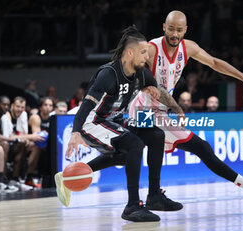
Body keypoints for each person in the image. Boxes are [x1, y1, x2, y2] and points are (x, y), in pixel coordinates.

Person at [127, 10, 243, 204]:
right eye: (171, 29)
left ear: (186, 30)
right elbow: (128, 66)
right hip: (143, 110)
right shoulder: (152, 48)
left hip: (158, 110)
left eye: (179, 30)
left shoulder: (188, 48)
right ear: (164, 27)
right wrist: (140, 82)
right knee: (200, 147)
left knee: (125, 153)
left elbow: (213, 63)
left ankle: (151, 194)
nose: (174, 34)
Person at [55, 26, 185, 222]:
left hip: (114, 122)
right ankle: (132, 206)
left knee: (155, 136)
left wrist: (177, 109)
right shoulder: (109, 74)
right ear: (129, 52)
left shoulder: (141, 73)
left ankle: (155, 196)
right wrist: (75, 132)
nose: (146, 57)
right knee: (134, 145)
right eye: (143, 52)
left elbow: (161, 91)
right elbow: (86, 105)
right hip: (92, 122)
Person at [1, 96, 44, 189]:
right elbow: (7, 137)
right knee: (5, 145)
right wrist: (30, 137)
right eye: (18, 106)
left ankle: (24, 178)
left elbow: (22, 134)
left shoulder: (23, 114)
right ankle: (3, 180)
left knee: (33, 145)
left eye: (22, 107)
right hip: (4, 143)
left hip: (16, 143)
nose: (20, 109)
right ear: (12, 106)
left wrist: (28, 139)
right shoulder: (6, 116)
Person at [28, 97, 54, 187]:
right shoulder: (36, 117)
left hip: (45, 145)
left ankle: (46, 177)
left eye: (50, 105)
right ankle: (28, 177)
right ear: (40, 107)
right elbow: (38, 138)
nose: (48, 107)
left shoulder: (52, 119)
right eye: (45, 105)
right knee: (38, 146)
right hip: (30, 143)